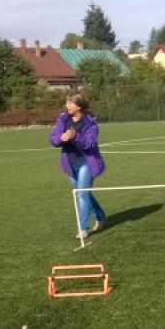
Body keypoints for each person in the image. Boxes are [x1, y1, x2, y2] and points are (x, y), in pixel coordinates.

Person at [49, 94, 106, 240]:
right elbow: (53, 138)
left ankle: (83, 228)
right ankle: (100, 216)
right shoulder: (63, 119)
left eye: (70, 103)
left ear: (79, 106)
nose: (66, 106)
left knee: (81, 193)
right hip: (69, 162)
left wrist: (75, 136)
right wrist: (61, 138)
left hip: (87, 162)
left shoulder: (90, 122)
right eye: (67, 103)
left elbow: (90, 144)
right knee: (83, 193)